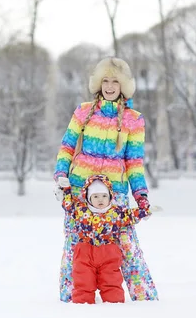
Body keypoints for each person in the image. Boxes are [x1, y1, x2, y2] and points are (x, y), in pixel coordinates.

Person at [54, 56, 158, 302]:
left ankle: (143, 295)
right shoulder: (83, 111)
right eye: (105, 80)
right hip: (80, 188)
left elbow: (134, 162)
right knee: (75, 243)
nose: (110, 86)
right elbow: (67, 146)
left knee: (126, 242)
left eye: (115, 81)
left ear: (124, 85)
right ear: (98, 83)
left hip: (115, 192)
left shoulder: (134, 119)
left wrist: (140, 195)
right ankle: (71, 295)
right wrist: (61, 174)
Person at [57, 174, 151, 304]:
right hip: (85, 253)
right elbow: (68, 205)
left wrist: (144, 210)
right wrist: (66, 189)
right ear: (88, 197)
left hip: (109, 254)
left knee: (112, 282)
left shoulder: (116, 213)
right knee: (83, 282)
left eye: (104, 196)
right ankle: (81, 307)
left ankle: (114, 305)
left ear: (110, 196)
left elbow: (130, 215)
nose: (100, 200)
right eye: (95, 196)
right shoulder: (81, 210)